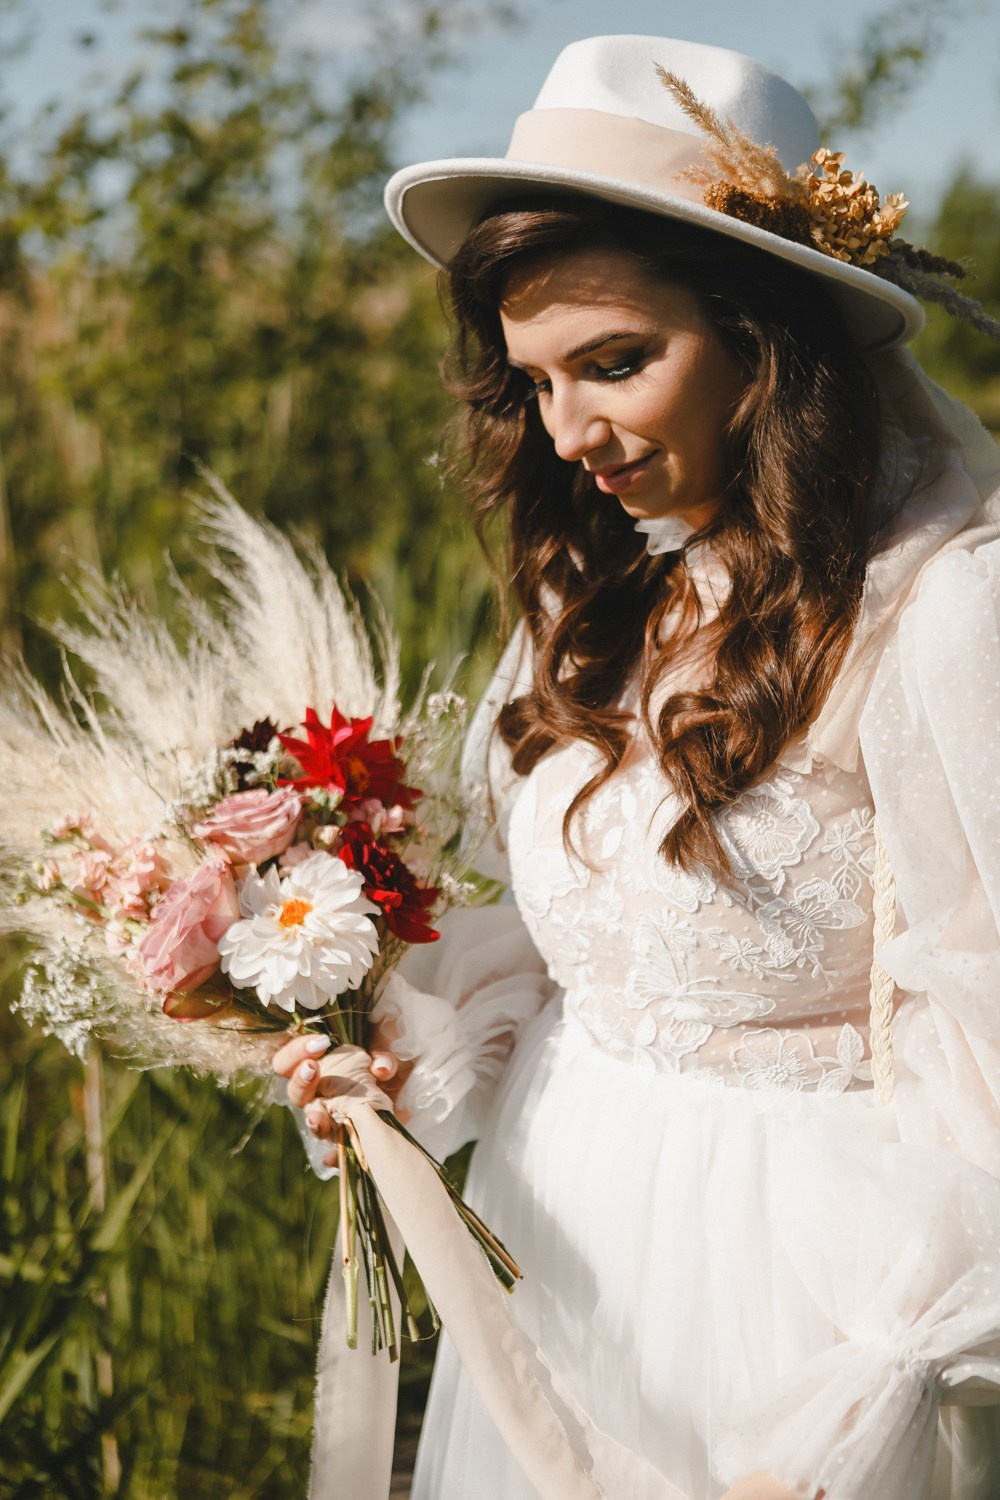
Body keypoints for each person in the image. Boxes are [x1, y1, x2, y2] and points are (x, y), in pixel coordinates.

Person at [274, 35, 1000, 1500]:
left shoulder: (944, 609)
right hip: (567, 1235)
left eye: (616, 363)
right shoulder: (598, 598)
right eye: (536, 381)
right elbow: (581, 952)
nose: (570, 435)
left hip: (799, 1300)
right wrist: (400, 1059)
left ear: (766, 340)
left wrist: (887, 1369)